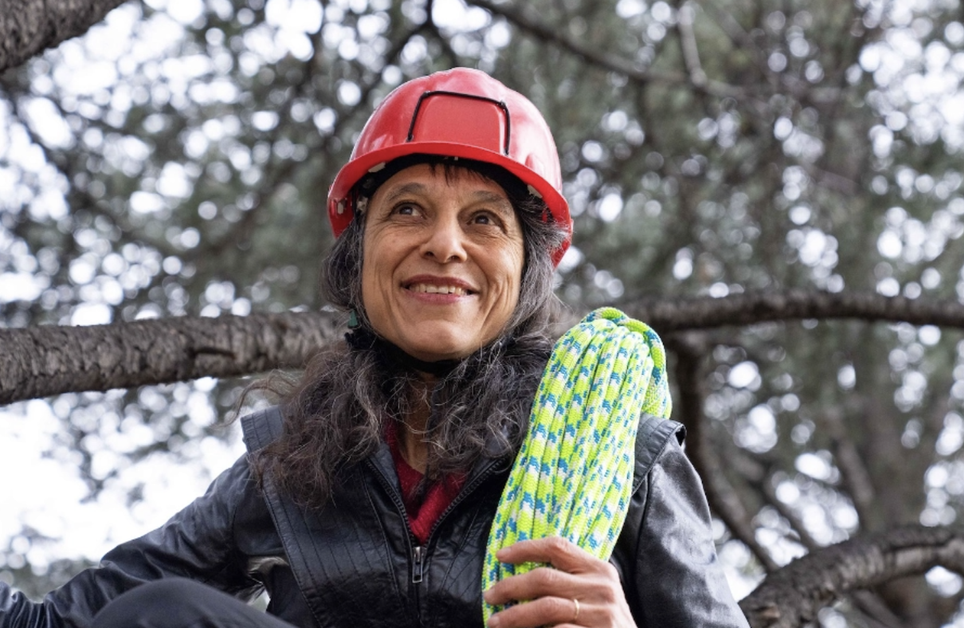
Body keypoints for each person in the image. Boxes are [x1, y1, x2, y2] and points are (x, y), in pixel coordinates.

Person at [0, 68, 750, 628]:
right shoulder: (289, 465)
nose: (444, 245)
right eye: (409, 210)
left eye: (485, 221)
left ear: (530, 269)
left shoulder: (628, 457)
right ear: (360, 255)